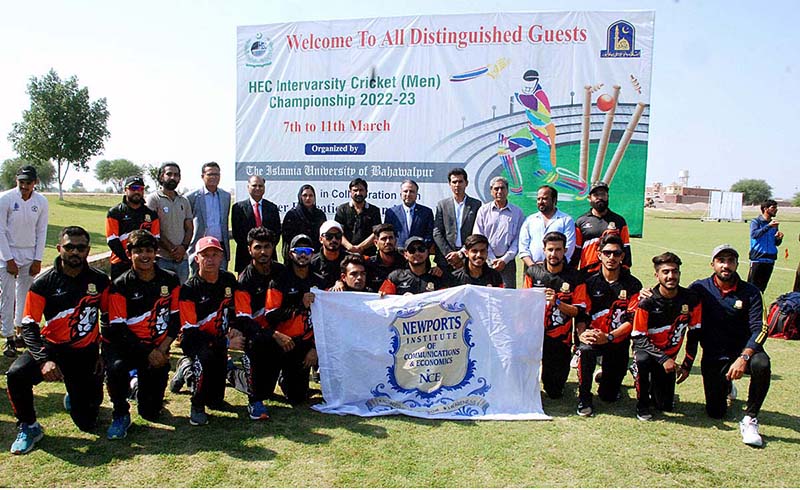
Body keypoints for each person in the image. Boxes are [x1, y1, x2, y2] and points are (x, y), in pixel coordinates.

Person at [6, 226, 109, 455]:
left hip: (85, 352)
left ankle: (75, 396)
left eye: (80, 248)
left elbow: (109, 318)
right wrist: (43, 360)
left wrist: (103, 353)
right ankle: (29, 426)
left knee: (89, 422)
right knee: (16, 375)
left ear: (88, 250)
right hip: (52, 349)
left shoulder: (99, 280)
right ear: (59, 248)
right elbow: (29, 326)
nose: (75, 252)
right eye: (70, 247)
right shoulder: (43, 283)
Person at [689, 244, 770, 446]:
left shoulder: (751, 292)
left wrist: (744, 358)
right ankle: (727, 385)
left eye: (730, 261)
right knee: (715, 413)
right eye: (721, 261)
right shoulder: (699, 288)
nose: (726, 265)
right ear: (713, 264)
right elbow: (674, 299)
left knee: (762, 364)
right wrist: (648, 294)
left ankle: (750, 418)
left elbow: (761, 328)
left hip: (743, 352)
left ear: (736, 264)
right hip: (714, 355)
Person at [104, 230, 180, 439]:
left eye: (149, 250)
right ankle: (120, 413)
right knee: (117, 368)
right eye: (138, 251)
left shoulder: (170, 280)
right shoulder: (120, 285)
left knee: (150, 413)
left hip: (157, 349)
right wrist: (149, 352)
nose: (144, 255)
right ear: (129, 254)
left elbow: (175, 320)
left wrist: (162, 349)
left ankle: (136, 387)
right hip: (126, 347)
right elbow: (118, 329)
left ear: (156, 252)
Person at [178, 236, 245, 426]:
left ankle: (190, 374)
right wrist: (225, 342)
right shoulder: (189, 289)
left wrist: (236, 328)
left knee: (215, 401)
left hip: (220, 340)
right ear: (196, 258)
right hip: (196, 342)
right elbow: (190, 333)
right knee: (203, 360)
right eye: (205, 255)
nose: (210, 259)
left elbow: (236, 309)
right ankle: (196, 402)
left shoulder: (228, 280)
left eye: (214, 254)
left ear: (222, 257)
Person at [573, 234, 642, 416]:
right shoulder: (588, 282)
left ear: (622, 256)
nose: (611, 257)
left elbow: (631, 320)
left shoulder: (633, 284)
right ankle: (584, 397)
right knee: (586, 351)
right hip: (593, 337)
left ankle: (607, 379)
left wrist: (610, 336)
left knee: (609, 396)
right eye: (607, 253)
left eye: (616, 253)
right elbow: (581, 314)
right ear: (599, 255)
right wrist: (582, 334)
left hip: (616, 340)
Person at [631, 252, 701, 421]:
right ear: (657, 275)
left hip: (668, 359)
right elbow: (638, 338)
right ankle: (642, 403)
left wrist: (687, 365)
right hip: (649, 354)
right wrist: (663, 359)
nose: (671, 276)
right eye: (666, 272)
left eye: (675, 271)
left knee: (665, 406)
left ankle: (654, 383)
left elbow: (694, 334)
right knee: (642, 360)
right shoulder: (647, 301)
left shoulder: (691, 299)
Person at [262, 234, 322, 405]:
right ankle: (232, 370)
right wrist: (299, 304)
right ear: (290, 254)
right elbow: (271, 315)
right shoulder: (279, 281)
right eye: (298, 251)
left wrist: (314, 348)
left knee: (297, 398)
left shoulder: (318, 281)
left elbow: (327, 322)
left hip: (304, 344)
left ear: (312, 254)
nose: (303, 255)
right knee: (263, 392)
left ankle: (287, 378)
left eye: (307, 251)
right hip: (281, 341)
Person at [235, 227, 287, 420]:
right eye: (258, 247)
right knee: (260, 389)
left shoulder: (281, 271)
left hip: (279, 333)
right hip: (257, 336)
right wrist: (272, 334)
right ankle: (235, 376)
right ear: (249, 250)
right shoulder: (244, 279)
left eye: (267, 247)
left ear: (273, 248)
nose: (263, 252)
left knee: (271, 389)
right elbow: (244, 320)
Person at [523, 231, 581, 399]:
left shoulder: (574, 277)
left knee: (554, 392)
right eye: (550, 249)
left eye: (558, 249)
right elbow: (523, 303)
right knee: (525, 386)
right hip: (535, 334)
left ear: (564, 251)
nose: (553, 254)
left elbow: (578, 311)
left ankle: (549, 373)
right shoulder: (533, 272)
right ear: (544, 250)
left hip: (560, 337)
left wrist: (557, 302)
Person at [0, 165, 48, 358]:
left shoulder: (41, 201)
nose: (25, 187)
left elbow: (41, 231)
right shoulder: (6, 199)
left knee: (25, 295)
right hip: (7, 254)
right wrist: (8, 259)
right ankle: (8, 337)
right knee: (7, 295)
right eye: (21, 182)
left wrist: (37, 259)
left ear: (35, 183)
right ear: (16, 181)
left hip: (29, 253)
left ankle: (21, 331)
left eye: (28, 183)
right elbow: (0, 231)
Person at [497, 69, 557, 194]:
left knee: (551, 173)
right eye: (526, 83)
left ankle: (579, 186)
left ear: (536, 82)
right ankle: (516, 185)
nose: (528, 86)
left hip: (542, 131)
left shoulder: (538, 96)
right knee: (504, 147)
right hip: (531, 129)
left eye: (531, 83)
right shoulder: (529, 92)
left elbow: (525, 100)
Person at [145, 162, 193, 283]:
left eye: (176, 175)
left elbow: (189, 228)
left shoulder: (184, 200)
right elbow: (152, 229)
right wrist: (172, 250)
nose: (173, 177)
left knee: (182, 296)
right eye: (169, 174)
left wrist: (183, 248)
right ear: (161, 177)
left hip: (182, 259)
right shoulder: (153, 199)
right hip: (162, 259)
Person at [472, 177, 525, 288]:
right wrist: (491, 258)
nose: (499, 191)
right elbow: (478, 236)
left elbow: (518, 240)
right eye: (496, 189)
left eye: (502, 188)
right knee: (485, 294)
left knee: (507, 296)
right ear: (491, 191)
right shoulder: (483, 211)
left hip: (508, 263)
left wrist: (504, 260)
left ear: (507, 190)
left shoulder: (517, 212)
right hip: (485, 261)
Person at [106, 176, 161, 280]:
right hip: (120, 263)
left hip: (145, 263)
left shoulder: (151, 214)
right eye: (133, 188)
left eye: (140, 189)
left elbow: (156, 239)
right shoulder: (115, 212)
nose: (137, 192)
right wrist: (130, 259)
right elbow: (112, 240)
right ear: (125, 190)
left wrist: (144, 258)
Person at [572, 181, 631, 274]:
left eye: (603, 194)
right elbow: (577, 249)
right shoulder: (581, 221)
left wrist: (626, 269)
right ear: (589, 198)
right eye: (596, 195)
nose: (600, 198)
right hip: (587, 272)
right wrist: (573, 271)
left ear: (608, 197)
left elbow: (626, 247)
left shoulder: (619, 221)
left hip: (612, 273)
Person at [433, 168, 482, 273]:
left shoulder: (476, 205)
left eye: (460, 181)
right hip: (446, 259)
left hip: (468, 257)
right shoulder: (442, 205)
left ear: (466, 183)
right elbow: (437, 232)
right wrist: (450, 254)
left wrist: (461, 253)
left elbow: (476, 232)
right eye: (454, 182)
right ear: (449, 184)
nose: (457, 185)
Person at [186, 162, 231, 272]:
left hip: (220, 246)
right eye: (210, 174)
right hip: (200, 247)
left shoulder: (226, 196)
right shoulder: (191, 197)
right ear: (203, 176)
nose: (214, 177)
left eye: (216, 174)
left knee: (221, 281)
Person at [518, 185, 576, 269]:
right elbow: (523, 247)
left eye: (545, 198)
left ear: (554, 200)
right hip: (532, 268)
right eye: (538, 199)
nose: (540, 201)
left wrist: (552, 265)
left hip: (557, 270)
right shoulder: (530, 220)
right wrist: (532, 267)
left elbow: (569, 247)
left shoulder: (566, 220)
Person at [232, 175, 281, 274]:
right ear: (248, 187)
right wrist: (254, 250)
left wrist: (266, 249)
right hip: (245, 257)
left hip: (268, 257)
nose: (257, 188)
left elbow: (277, 232)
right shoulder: (238, 208)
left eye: (260, 186)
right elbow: (238, 234)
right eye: (254, 185)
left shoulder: (272, 208)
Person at [380, 236, 452, 295]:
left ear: (427, 252)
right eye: (412, 250)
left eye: (421, 249)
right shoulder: (395, 277)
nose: (417, 253)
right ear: (405, 255)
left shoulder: (437, 276)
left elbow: (446, 300)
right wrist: (382, 295)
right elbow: (384, 300)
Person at [334, 178, 382, 256]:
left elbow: (376, 233)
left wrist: (360, 247)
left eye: (361, 190)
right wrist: (350, 248)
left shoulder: (374, 210)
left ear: (366, 192)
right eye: (355, 190)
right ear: (350, 192)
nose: (358, 193)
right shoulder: (342, 209)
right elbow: (338, 232)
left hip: (368, 255)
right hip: (345, 253)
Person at [383, 179, 434, 251]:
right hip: (398, 254)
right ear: (401, 194)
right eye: (405, 191)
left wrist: (420, 247)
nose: (408, 194)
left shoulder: (426, 212)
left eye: (412, 191)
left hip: (419, 254)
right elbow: (388, 234)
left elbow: (430, 234)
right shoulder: (391, 213)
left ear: (417, 195)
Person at [281, 184, 327, 261]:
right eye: (305, 195)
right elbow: (287, 238)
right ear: (300, 197)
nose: (308, 198)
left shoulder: (320, 215)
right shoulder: (292, 215)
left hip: (316, 255)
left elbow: (323, 236)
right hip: (297, 255)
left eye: (311, 195)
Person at [747, 199, 783, 292]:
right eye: (773, 208)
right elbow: (754, 235)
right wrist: (768, 226)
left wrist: (779, 239)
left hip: (770, 259)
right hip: (758, 259)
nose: (776, 210)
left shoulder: (774, 224)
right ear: (765, 209)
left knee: (762, 289)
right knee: (751, 288)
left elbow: (775, 243)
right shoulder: (756, 222)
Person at [311, 220, 351, 289]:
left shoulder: (350, 260)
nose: (334, 240)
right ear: (321, 239)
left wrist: (343, 282)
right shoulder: (312, 263)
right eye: (329, 236)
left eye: (338, 236)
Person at [365, 224, 406, 292]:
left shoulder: (405, 262)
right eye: (384, 239)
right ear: (376, 243)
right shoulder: (369, 264)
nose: (388, 242)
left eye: (391, 238)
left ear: (395, 240)